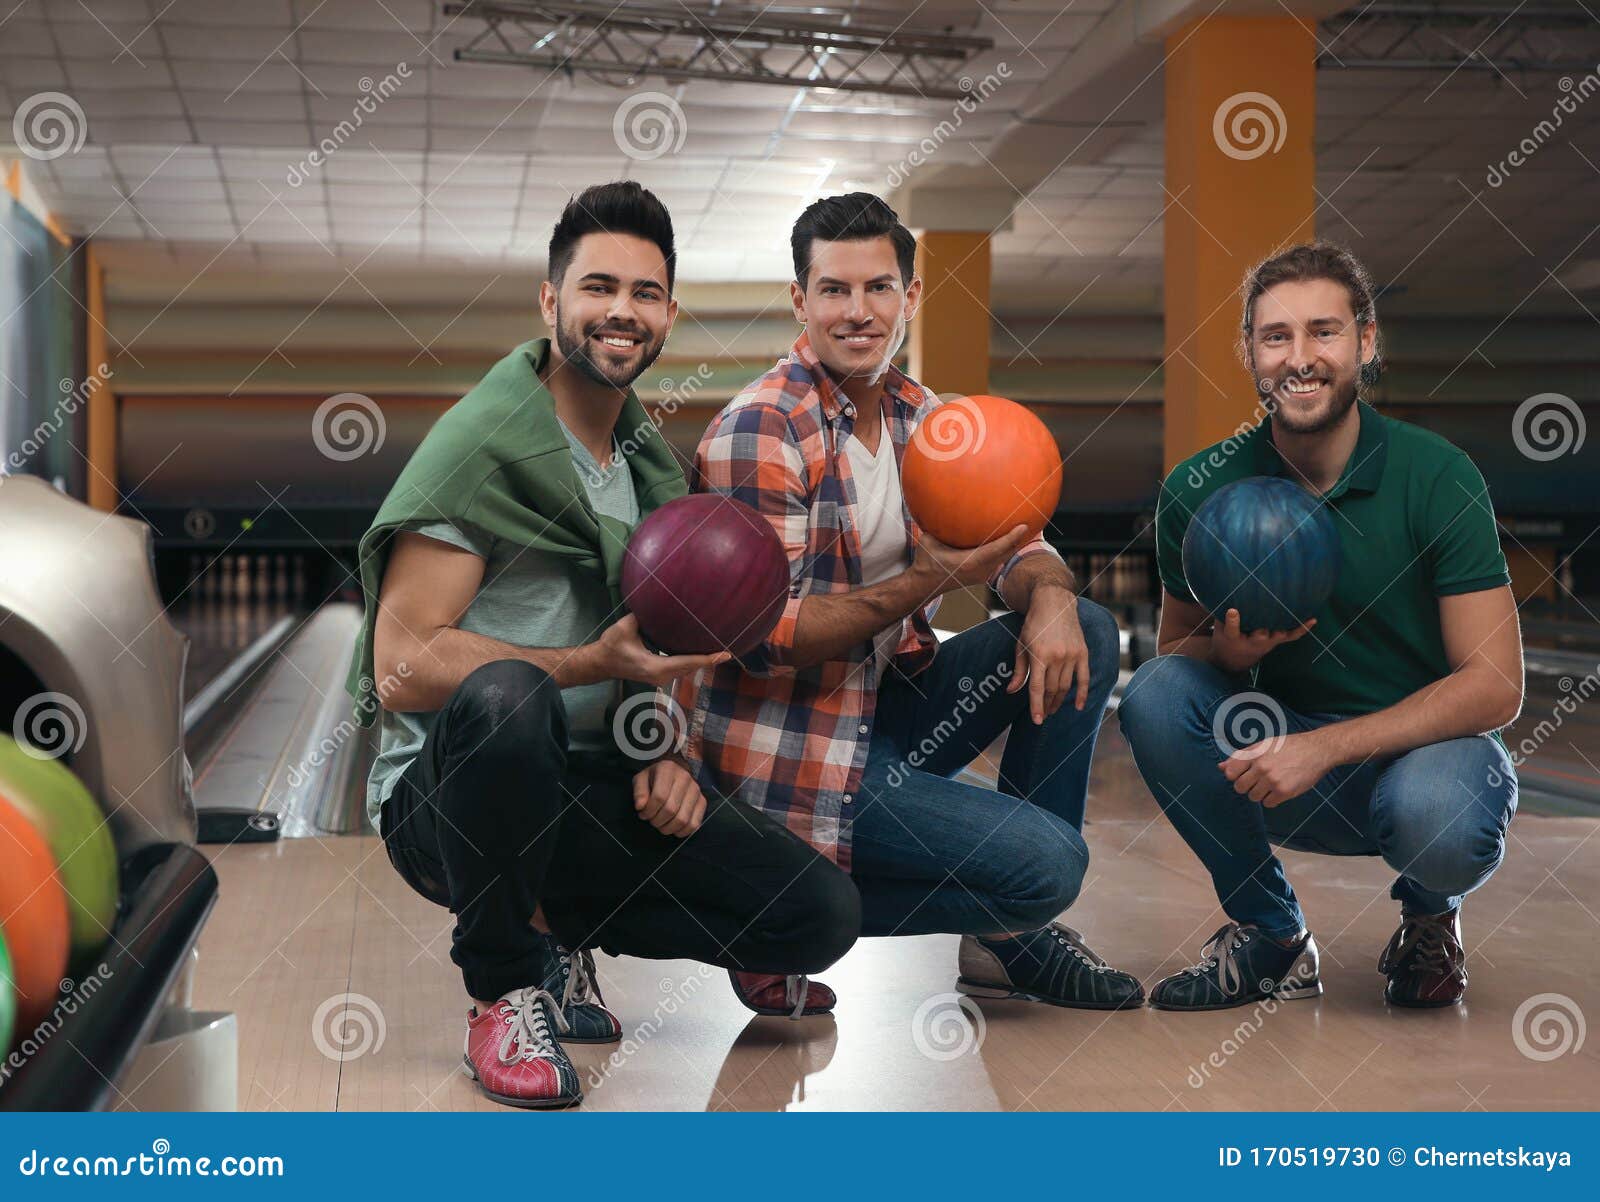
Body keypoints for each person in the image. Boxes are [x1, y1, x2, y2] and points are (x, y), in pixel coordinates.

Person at [347, 182, 859, 1110]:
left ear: (666, 314)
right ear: (551, 303)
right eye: (598, 287)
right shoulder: (483, 447)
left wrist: (659, 744)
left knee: (817, 915)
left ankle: (554, 928)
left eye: (646, 292)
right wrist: (585, 668)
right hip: (452, 802)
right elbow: (402, 667)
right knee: (512, 695)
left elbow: (649, 652)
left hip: (583, 782)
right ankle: (504, 989)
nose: (622, 311)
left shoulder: (647, 468)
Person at [678, 193, 1142, 1014]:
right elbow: (765, 639)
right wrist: (929, 577)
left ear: (912, 297)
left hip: (888, 716)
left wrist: (1053, 597)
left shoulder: (925, 418)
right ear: (800, 300)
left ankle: (1010, 947)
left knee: (1092, 629)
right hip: (792, 756)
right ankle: (765, 913)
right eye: (834, 290)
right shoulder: (760, 430)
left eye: (879, 288)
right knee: (1048, 868)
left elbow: (1021, 544)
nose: (858, 312)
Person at [1118, 241, 1523, 1011]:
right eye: (1276, 337)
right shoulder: (1200, 488)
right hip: (1275, 755)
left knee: (1440, 814)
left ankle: (1430, 916)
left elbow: (1497, 687)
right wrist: (1228, 653)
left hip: (1419, 764)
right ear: (1249, 352)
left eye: (1324, 332)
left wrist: (1324, 747)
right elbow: (1177, 657)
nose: (1300, 358)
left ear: (1366, 342)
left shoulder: (1437, 476)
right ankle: (1271, 935)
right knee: (1156, 694)